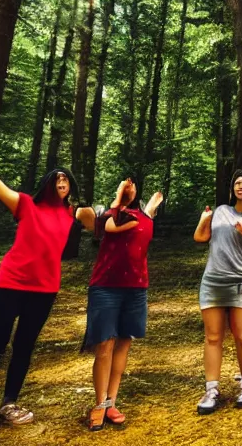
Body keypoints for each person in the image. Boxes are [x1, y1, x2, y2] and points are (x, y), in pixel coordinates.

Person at [0, 168, 95, 424]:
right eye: (57, 177)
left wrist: (96, 210)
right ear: (46, 182)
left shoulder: (72, 213)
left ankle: (9, 403)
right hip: (9, 285)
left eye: (66, 178)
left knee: (24, 347)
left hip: (44, 291)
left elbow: (97, 224)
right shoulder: (25, 204)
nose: (62, 181)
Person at [83, 177, 163, 431]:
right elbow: (107, 227)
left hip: (136, 289)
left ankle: (111, 401)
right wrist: (118, 197)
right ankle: (98, 405)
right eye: (123, 185)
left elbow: (147, 216)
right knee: (104, 345)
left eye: (131, 186)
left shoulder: (145, 219)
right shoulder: (111, 216)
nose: (128, 187)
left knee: (123, 344)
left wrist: (152, 204)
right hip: (106, 287)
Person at [194, 169, 242, 414]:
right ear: (231, 189)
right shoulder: (220, 212)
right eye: (236, 183)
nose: (240, 186)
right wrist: (204, 219)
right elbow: (200, 237)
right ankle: (211, 390)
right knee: (213, 337)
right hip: (214, 282)